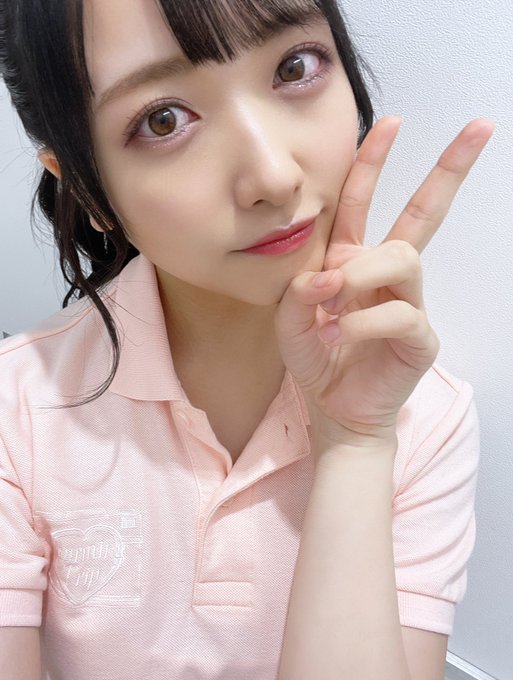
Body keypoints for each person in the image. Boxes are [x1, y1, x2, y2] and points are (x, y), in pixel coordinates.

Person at [0, 1, 494, 679]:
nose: (272, 176)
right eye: (163, 119)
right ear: (86, 189)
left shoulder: (422, 417)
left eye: (294, 67)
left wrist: (354, 446)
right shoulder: (16, 413)